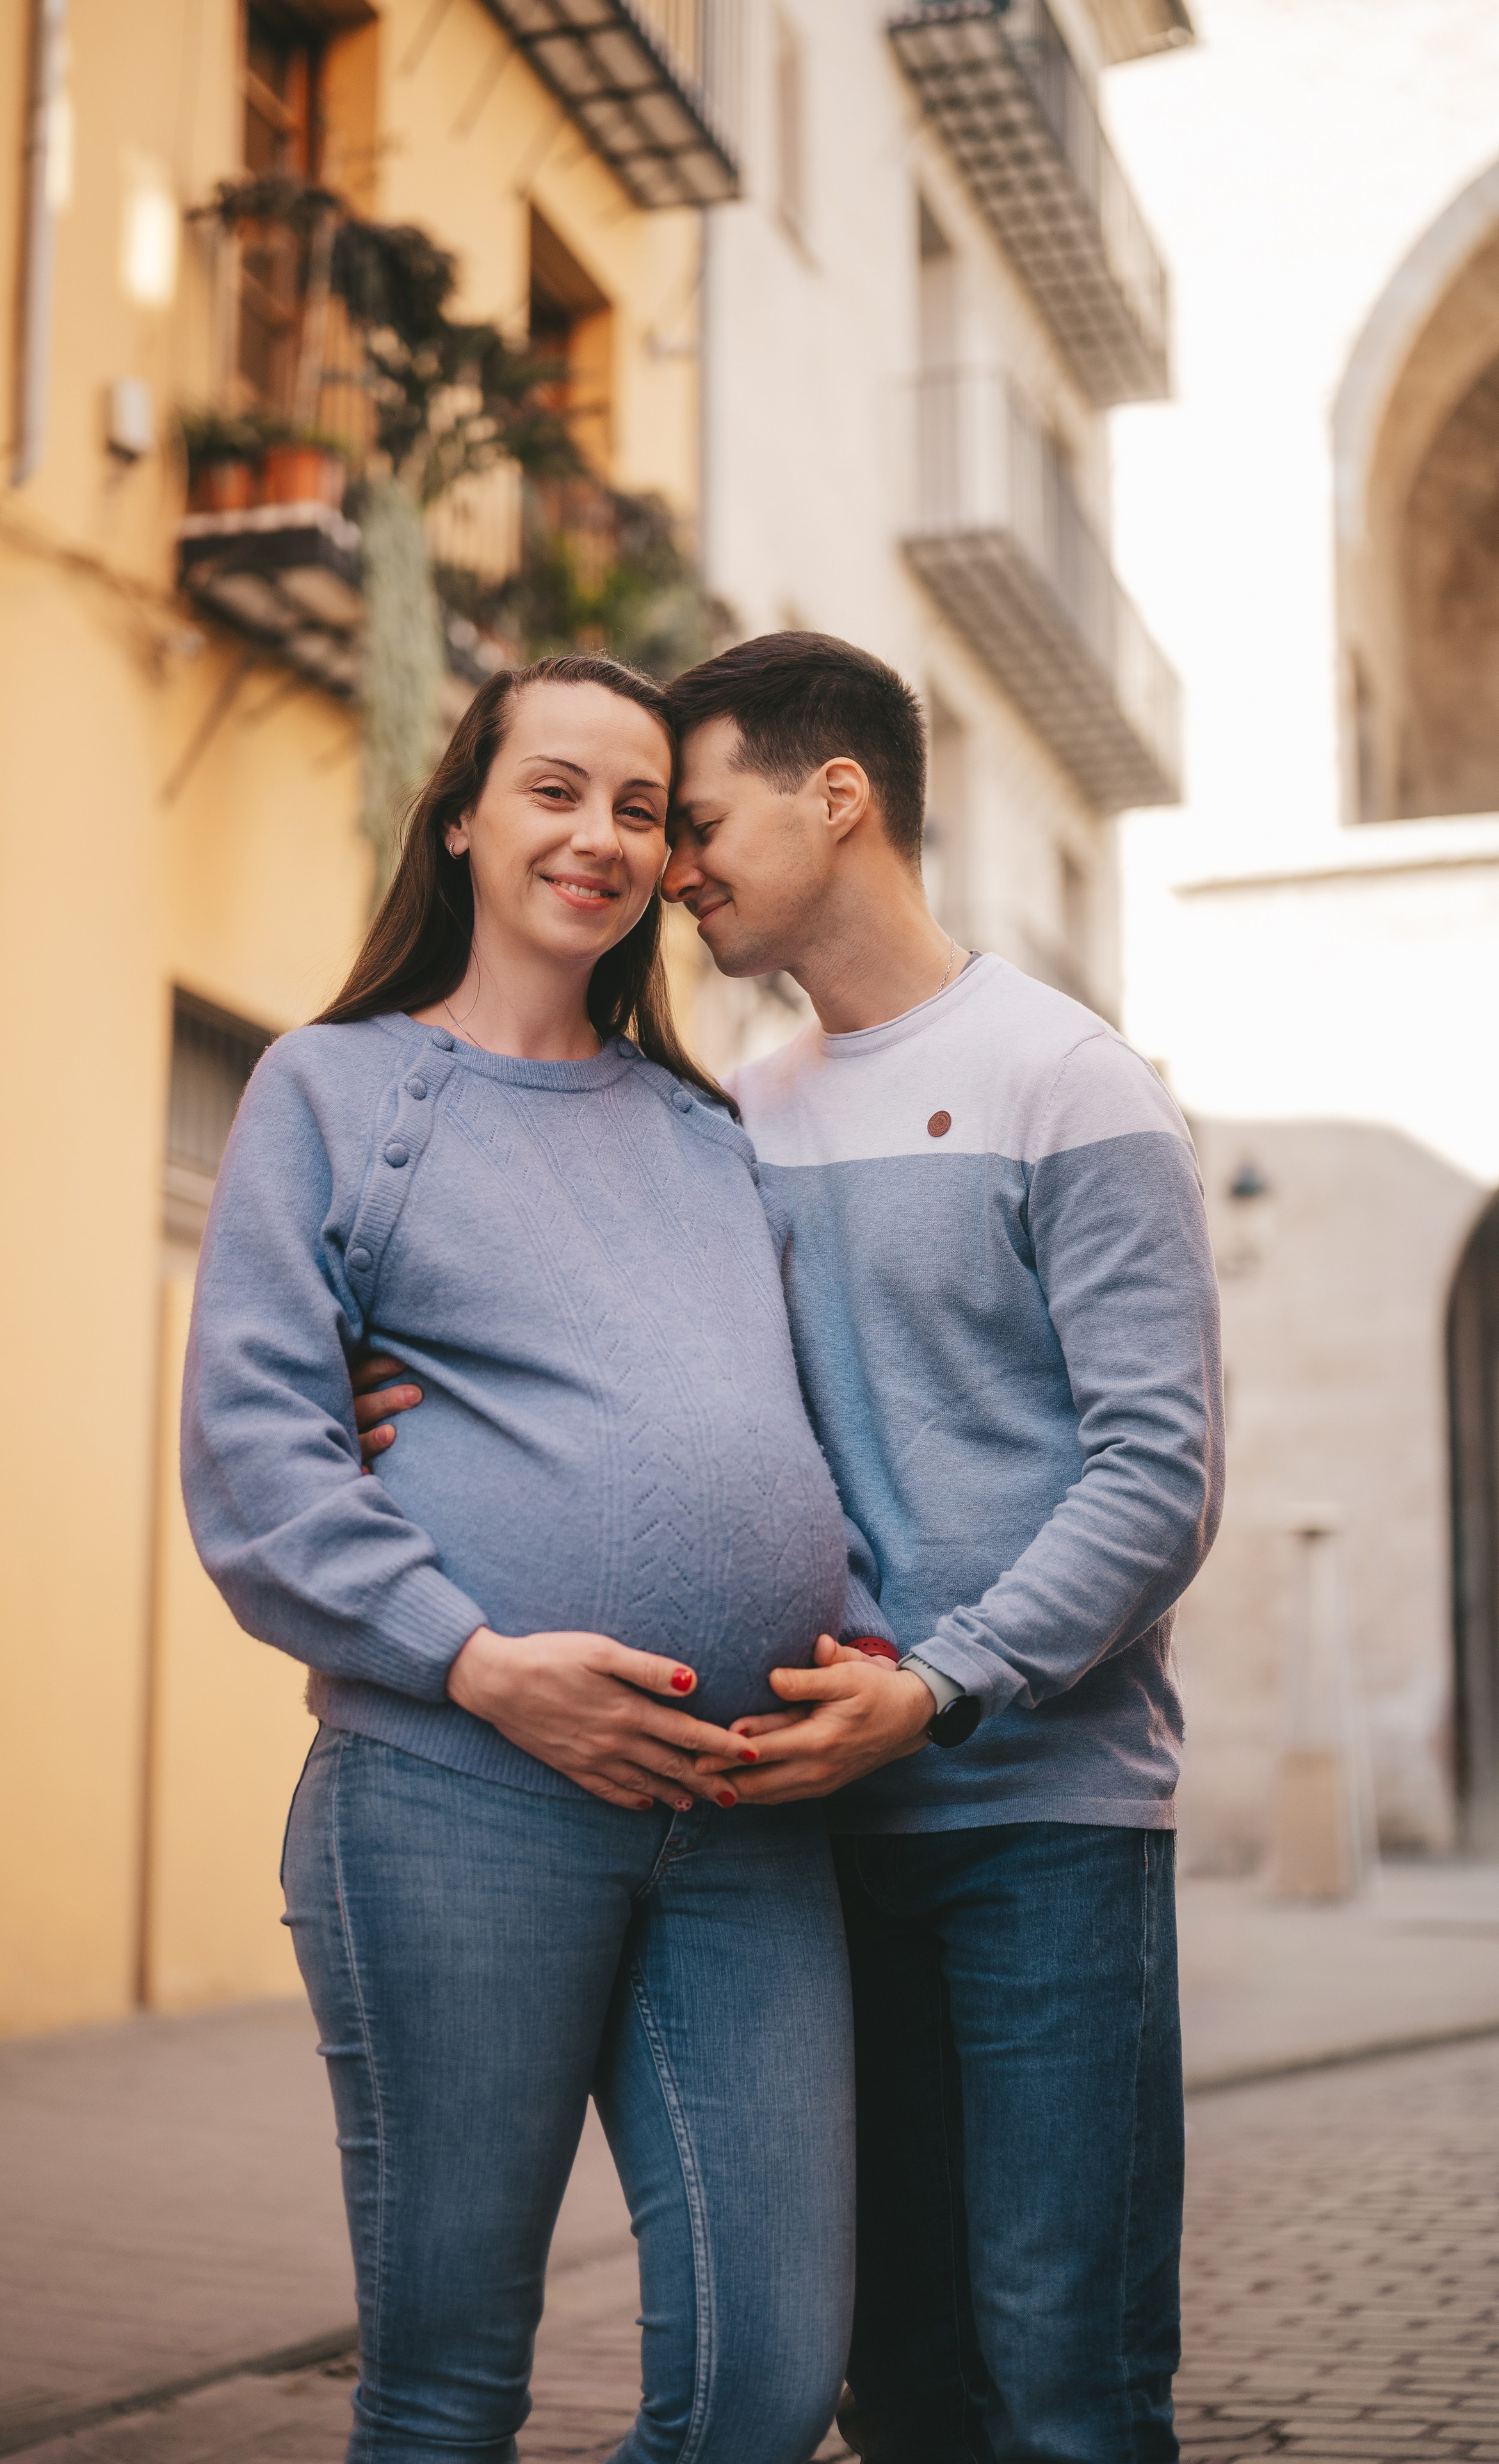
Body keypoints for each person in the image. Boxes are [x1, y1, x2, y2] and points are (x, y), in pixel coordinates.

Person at [359, 631, 1224, 2464]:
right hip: (808, 1841)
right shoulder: (735, 1111)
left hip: (1037, 1823)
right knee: (889, 2373)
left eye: (703, 811)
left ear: (841, 800)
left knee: (1066, 2372)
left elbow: (1160, 1474)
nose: (672, 863)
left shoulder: (1071, 1085)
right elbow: (611, 1355)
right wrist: (386, 1371)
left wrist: (942, 1685)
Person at [181, 653, 892, 2464]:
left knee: (771, 2382)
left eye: (641, 808)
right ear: (465, 818)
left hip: (749, 1824)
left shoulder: (703, 1134)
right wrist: (477, 1658)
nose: (598, 835)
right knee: (444, 2392)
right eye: (554, 789)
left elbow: (787, 1435)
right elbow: (260, 1449)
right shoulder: (338, 1093)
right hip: (459, 1796)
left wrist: (871, 1650)